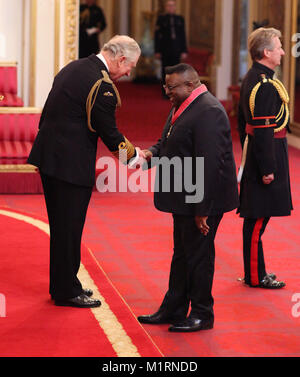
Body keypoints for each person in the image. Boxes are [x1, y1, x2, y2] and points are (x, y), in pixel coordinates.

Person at [28, 35, 143, 308]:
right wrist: (135, 157)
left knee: (62, 227)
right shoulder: (101, 84)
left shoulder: (75, 67)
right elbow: (109, 132)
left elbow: (48, 114)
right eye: (130, 66)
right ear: (120, 58)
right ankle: (67, 291)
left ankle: (65, 284)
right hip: (70, 164)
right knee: (69, 227)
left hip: (51, 157)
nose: (128, 73)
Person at [138, 64, 239, 332]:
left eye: (171, 88)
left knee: (199, 256)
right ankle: (174, 308)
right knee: (182, 254)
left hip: (202, 199)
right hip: (185, 194)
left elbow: (210, 164)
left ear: (190, 85)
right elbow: (169, 141)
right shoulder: (183, 103)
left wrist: (202, 209)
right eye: (165, 86)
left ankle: (203, 313)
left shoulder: (208, 111)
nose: (166, 92)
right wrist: (150, 154)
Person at [237, 27, 293, 289]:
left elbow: (243, 124)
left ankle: (256, 271)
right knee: (258, 219)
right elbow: (262, 128)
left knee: (257, 218)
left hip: (260, 151)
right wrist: (267, 168)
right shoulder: (264, 84)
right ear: (267, 52)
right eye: (279, 46)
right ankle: (255, 275)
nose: (283, 51)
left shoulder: (255, 78)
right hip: (267, 154)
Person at [154, 0, 188, 95]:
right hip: (165, 49)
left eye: (172, 6)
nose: (171, 8)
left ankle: (175, 91)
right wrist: (157, 50)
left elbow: (183, 35)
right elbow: (157, 36)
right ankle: (165, 91)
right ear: (166, 7)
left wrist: (184, 50)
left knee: (176, 72)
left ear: (175, 7)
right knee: (165, 71)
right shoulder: (161, 19)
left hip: (176, 50)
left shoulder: (180, 19)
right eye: (169, 6)